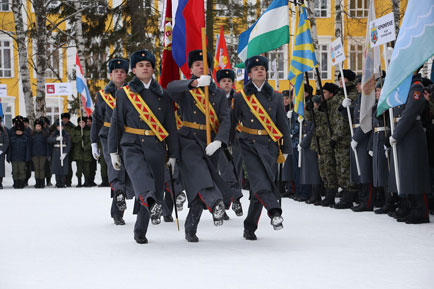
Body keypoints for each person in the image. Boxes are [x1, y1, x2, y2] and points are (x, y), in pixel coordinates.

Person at [109, 50, 179, 243]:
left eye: (148, 65)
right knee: (142, 180)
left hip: (156, 147)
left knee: (154, 190)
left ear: (153, 68)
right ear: (134, 69)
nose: (145, 68)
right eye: (140, 65)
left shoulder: (163, 95)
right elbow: (116, 123)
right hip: (132, 145)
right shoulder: (124, 94)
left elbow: (170, 126)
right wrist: (113, 151)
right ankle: (151, 203)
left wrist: (172, 154)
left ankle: (140, 230)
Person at [167, 49, 230, 242]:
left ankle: (190, 227)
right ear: (191, 69)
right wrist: (193, 84)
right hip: (188, 140)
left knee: (199, 184)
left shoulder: (218, 93)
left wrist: (219, 141)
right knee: (200, 175)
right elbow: (170, 87)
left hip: (211, 143)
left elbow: (225, 119)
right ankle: (215, 203)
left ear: (210, 69)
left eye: (204, 65)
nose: (201, 67)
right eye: (197, 65)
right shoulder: (186, 90)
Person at [232, 55, 291, 240]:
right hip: (248, 145)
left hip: (270, 147)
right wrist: (223, 144)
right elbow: (232, 122)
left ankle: (250, 226)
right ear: (249, 74)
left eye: (263, 69)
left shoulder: (276, 96)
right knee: (259, 181)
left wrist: (286, 149)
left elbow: (282, 125)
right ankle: (274, 212)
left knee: (261, 186)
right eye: (256, 69)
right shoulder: (240, 97)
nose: (260, 71)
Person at [91, 58, 131, 225]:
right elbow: (97, 120)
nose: (119, 74)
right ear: (110, 75)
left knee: (128, 172)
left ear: (126, 74)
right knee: (116, 170)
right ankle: (118, 213)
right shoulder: (103, 95)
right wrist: (94, 141)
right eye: (116, 72)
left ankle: (119, 208)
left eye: (122, 72)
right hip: (108, 136)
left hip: (128, 135)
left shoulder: (133, 93)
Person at [388, 69, 431, 224]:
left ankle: (421, 210)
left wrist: (397, 134)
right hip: (403, 133)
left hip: (411, 133)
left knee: (415, 174)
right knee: (406, 173)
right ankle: (410, 206)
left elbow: (410, 113)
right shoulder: (404, 86)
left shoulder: (416, 87)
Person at [216, 68, 243, 218]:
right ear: (218, 83)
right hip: (220, 142)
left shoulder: (238, 98)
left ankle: (228, 203)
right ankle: (236, 199)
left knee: (236, 171)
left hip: (236, 140)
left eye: (229, 81)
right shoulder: (214, 98)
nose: (227, 83)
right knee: (226, 172)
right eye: (223, 81)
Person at [331, 69, 359, 209]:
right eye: (339, 79)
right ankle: (344, 193)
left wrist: (335, 137)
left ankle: (349, 196)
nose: (341, 81)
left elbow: (344, 121)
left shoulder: (352, 95)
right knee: (340, 167)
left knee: (346, 168)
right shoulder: (340, 94)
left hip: (346, 136)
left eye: (343, 79)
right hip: (338, 136)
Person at [348, 75, 374, 212]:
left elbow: (366, 122)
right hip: (357, 135)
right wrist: (344, 108)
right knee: (359, 172)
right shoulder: (359, 98)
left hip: (363, 136)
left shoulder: (367, 99)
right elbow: (352, 115)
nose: (357, 86)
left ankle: (367, 202)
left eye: (359, 84)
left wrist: (357, 138)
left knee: (365, 172)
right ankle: (362, 199)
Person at [47, 120, 72, 188]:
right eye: (58, 126)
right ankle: (58, 182)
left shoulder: (66, 134)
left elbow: (69, 145)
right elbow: (49, 140)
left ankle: (63, 182)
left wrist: (65, 153)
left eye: (61, 126)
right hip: (56, 151)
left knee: (63, 168)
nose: (60, 128)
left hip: (63, 151)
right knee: (57, 168)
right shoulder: (54, 133)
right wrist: (56, 139)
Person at [8, 120, 30, 189]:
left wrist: (27, 158)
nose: (18, 132)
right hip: (14, 158)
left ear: (22, 131)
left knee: (22, 171)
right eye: (17, 131)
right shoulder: (12, 138)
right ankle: (15, 182)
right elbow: (10, 149)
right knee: (15, 171)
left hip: (22, 158)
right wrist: (9, 157)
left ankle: (21, 182)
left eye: (20, 131)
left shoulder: (25, 138)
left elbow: (27, 149)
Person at [71, 117, 92, 187]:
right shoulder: (75, 130)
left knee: (87, 169)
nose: (81, 124)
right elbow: (73, 139)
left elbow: (91, 141)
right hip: (78, 153)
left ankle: (86, 182)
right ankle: (79, 182)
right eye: (80, 122)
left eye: (83, 122)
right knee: (79, 169)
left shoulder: (89, 130)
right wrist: (80, 138)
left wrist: (86, 147)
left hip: (86, 153)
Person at [30, 119, 49, 188]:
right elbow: (30, 145)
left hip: (42, 154)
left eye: (39, 126)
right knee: (36, 168)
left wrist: (47, 154)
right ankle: (37, 182)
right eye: (36, 126)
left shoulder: (44, 134)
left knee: (41, 168)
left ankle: (42, 182)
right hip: (34, 154)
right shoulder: (32, 134)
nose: (38, 127)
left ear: (41, 127)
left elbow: (46, 145)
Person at [0, 116, 9, 189]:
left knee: (1, 168)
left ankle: (0, 182)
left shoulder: (3, 131)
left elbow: (6, 142)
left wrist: (2, 150)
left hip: (0, 152)